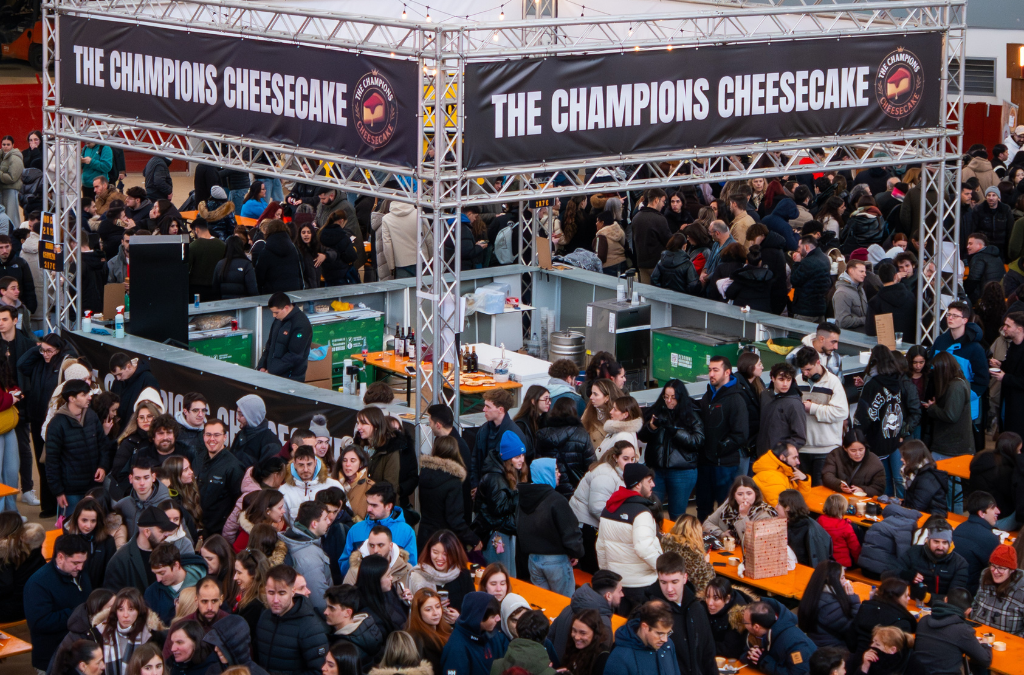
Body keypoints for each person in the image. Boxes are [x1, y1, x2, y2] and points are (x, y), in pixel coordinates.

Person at [596, 464, 662, 612]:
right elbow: (644, 548)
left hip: (618, 585)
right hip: (642, 585)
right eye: (649, 480)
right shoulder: (642, 513)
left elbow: (600, 546)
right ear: (638, 484)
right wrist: (663, 569)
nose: (653, 484)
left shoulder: (608, 509)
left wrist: (609, 576)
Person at [24, 534, 93, 671]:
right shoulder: (38, 583)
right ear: (60, 557)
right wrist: (78, 613)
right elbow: (39, 623)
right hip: (52, 659)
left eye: (83, 562)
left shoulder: (80, 573)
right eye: (75, 563)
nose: (80, 567)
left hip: (80, 656)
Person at [516, 457, 583, 596]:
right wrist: (576, 552)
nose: (559, 474)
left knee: (544, 606)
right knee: (564, 606)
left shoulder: (523, 499)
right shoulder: (557, 500)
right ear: (545, 473)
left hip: (533, 560)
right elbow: (570, 532)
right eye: (555, 470)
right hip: (556, 561)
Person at [638, 380, 704, 519]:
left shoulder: (691, 414)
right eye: (666, 397)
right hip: (657, 470)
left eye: (673, 397)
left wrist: (674, 431)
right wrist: (652, 427)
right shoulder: (657, 411)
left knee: (677, 514)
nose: (669, 401)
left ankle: (675, 540)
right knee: (651, 511)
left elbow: (698, 440)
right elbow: (642, 436)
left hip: (682, 471)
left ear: (680, 397)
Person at [47, 380, 116, 511]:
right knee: (71, 528)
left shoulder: (91, 416)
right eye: (84, 395)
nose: (89, 397)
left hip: (94, 485)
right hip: (71, 491)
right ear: (72, 398)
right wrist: (58, 491)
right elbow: (52, 462)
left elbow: (102, 444)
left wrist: (103, 466)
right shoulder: (57, 424)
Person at [644, 553, 717, 675]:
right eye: (663, 582)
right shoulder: (650, 612)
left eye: (674, 581)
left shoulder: (697, 609)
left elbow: (708, 653)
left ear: (685, 578)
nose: (669, 589)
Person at [569, 440, 635, 573]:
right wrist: (618, 524)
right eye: (625, 458)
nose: (630, 463)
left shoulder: (617, 473)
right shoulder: (605, 474)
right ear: (615, 458)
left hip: (590, 524)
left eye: (633, 459)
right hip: (586, 526)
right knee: (592, 568)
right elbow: (597, 507)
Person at [697, 355, 748, 521]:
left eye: (715, 370)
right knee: (703, 508)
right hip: (705, 463)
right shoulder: (707, 397)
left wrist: (720, 448)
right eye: (710, 370)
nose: (711, 374)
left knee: (724, 510)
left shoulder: (736, 398)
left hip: (725, 465)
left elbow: (741, 434)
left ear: (727, 372)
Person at [254, 565, 329, 675]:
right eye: (271, 593)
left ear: (293, 591)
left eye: (281, 593)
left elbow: (319, 671)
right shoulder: (264, 616)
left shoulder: (310, 627)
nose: (275, 600)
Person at [472, 429, 527, 576]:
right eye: (517, 456)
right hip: (496, 535)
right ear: (508, 458)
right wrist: (517, 494)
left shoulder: (502, 473)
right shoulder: (495, 478)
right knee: (502, 574)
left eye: (522, 455)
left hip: (501, 531)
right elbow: (498, 508)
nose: (521, 459)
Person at [793, 346, 849, 486]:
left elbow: (842, 412)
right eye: (802, 370)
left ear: (818, 362)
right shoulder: (797, 380)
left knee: (821, 491)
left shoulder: (833, 382)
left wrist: (812, 408)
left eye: (808, 369)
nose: (805, 373)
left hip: (826, 448)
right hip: (802, 447)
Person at [339, 481, 418, 577]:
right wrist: (359, 560)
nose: (368, 509)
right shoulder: (355, 530)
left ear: (388, 506)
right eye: (368, 504)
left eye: (374, 505)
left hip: (393, 587)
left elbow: (410, 570)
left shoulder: (406, 532)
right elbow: (343, 567)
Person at [416, 436, 479, 552]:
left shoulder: (424, 475)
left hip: (424, 537)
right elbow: (455, 520)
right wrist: (474, 539)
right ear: (455, 452)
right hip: (444, 540)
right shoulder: (453, 481)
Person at [914, 588, 993, 675]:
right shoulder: (963, 631)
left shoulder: (923, 621)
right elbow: (985, 660)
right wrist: (986, 644)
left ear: (945, 599)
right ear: (968, 611)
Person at [548, 569, 621, 661]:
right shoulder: (602, 622)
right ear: (608, 596)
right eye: (619, 591)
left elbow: (550, 636)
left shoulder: (569, 607)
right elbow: (601, 659)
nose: (622, 594)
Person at [104, 506, 177, 593]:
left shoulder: (168, 551)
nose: (166, 534)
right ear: (147, 532)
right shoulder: (120, 560)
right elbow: (113, 596)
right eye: (161, 531)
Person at [533, 397, 596, 498]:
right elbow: (591, 465)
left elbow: (539, 463)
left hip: (550, 489)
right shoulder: (581, 434)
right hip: (576, 489)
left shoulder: (542, 435)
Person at [355, 407, 416, 507]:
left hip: (379, 510)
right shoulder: (359, 447)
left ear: (375, 425)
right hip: (359, 506)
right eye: (358, 423)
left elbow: (390, 487)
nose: (359, 427)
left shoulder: (390, 451)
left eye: (363, 423)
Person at [471, 388, 530, 490]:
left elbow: (520, 469)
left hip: (504, 490)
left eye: (488, 406)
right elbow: (475, 459)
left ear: (500, 410)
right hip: (484, 487)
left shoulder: (515, 435)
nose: (484, 409)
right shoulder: (483, 430)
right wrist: (475, 485)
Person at [192, 419, 244, 537]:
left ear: (225, 437)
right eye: (208, 435)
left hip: (218, 533)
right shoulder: (198, 459)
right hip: (196, 526)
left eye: (217, 435)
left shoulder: (233, 466)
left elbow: (238, 503)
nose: (212, 439)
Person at [278, 501, 333, 612]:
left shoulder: (294, 539)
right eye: (325, 518)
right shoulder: (309, 557)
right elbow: (319, 600)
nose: (329, 522)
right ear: (314, 524)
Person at [897, 518, 969, 602]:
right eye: (936, 542)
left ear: (950, 543)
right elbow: (889, 574)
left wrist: (927, 597)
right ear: (928, 540)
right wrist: (905, 574)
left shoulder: (960, 564)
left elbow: (955, 598)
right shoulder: (914, 552)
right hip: (910, 603)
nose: (940, 547)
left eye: (944, 542)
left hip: (942, 609)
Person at [439, 591, 508, 675]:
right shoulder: (456, 648)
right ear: (477, 618)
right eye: (493, 616)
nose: (498, 619)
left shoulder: (494, 636)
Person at [605, 600, 681, 675]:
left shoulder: (668, 646)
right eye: (659, 633)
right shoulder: (620, 657)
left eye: (668, 633)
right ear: (645, 627)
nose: (665, 639)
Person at [743, 598, 816, 675]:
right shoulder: (768, 634)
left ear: (756, 627)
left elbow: (797, 673)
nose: (744, 625)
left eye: (745, 622)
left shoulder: (795, 644)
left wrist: (763, 661)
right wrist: (752, 656)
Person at [796, 561, 861, 648]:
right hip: (833, 651)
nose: (846, 581)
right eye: (842, 578)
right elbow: (854, 629)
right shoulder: (831, 605)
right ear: (830, 579)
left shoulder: (812, 594)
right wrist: (854, 600)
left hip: (817, 643)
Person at [408, 529, 474, 613]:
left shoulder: (462, 574)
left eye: (445, 554)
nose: (439, 558)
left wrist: (459, 619)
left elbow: (472, 608)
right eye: (435, 552)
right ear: (429, 551)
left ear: (454, 553)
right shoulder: (418, 575)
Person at [703, 476, 778, 548]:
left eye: (749, 494)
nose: (745, 498)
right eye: (740, 494)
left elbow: (751, 543)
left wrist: (743, 516)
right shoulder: (728, 506)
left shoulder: (764, 513)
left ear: (756, 494)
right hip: (729, 550)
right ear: (734, 496)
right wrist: (721, 534)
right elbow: (707, 523)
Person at [951, 491, 1002, 595]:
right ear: (981, 513)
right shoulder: (990, 539)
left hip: (952, 589)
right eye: (992, 508)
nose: (998, 511)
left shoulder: (960, 528)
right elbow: (998, 570)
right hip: (970, 596)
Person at [323, 584, 385, 669]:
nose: (325, 612)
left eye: (331, 608)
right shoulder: (367, 629)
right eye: (326, 607)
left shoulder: (345, 647)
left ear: (347, 613)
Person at [61, 498, 117, 589]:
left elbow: (111, 573)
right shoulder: (66, 541)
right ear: (76, 519)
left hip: (99, 595)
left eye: (93, 521)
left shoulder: (108, 542)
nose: (88, 526)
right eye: (84, 520)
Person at [968, 432, 1019, 531]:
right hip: (999, 520)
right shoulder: (1006, 470)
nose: (1020, 454)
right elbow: (1014, 497)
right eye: (1019, 450)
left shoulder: (980, 458)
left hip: (977, 514)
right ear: (1011, 450)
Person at [852, 576, 917, 654]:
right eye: (906, 596)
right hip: (881, 663)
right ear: (896, 598)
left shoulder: (866, 607)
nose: (909, 599)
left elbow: (852, 636)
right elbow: (901, 655)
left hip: (857, 657)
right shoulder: (901, 622)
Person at [256, 293, 312, 382]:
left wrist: (271, 371)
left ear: (286, 308)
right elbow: (269, 346)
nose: (274, 316)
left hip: (290, 378)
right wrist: (262, 366)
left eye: (276, 312)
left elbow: (294, 355)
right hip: (272, 375)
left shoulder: (301, 324)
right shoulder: (278, 320)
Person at [755, 363, 806, 459]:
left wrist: (782, 452)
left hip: (783, 459)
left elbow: (800, 437)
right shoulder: (765, 395)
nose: (785, 384)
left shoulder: (795, 404)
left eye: (788, 380)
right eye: (781, 379)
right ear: (773, 378)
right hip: (762, 455)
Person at [0, 514, 45, 623]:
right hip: (32, 603)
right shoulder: (32, 546)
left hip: (11, 608)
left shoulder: (5, 552)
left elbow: (4, 587)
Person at [821, 428, 886, 498]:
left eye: (861, 450)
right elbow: (827, 475)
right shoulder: (835, 455)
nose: (858, 454)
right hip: (838, 498)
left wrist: (863, 490)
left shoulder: (874, 461)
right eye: (853, 451)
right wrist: (839, 485)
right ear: (845, 448)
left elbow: (879, 487)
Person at [280, 446, 342, 518]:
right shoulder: (284, 491)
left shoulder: (333, 486)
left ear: (315, 462)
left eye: (309, 464)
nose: (305, 469)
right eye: (301, 465)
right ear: (294, 464)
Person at [660, 514, 715, 595]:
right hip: (689, 595)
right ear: (696, 532)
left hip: (668, 589)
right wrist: (706, 563)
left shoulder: (666, 543)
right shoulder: (694, 553)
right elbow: (707, 582)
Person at [777, 489, 832, 568]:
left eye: (779, 504)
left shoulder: (806, 529)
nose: (776, 506)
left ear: (787, 508)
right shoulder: (789, 523)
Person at [703, 577, 754, 660]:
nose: (709, 603)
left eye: (716, 598)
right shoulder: (701, 606)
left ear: (727, 599)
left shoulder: (739, 617)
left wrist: (704, 645)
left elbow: (730, 650)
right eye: (708, 597)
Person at [994, 311, 1024, 440]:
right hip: (1009, 399)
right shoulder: (1013, 345)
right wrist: (1000, 365)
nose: (1004, 328)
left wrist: (1005, 378)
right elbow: (1012, 367)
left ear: (1019, 329)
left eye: (1008, 326)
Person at [229, 395, 280, 470]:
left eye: (241, 414)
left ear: (252, 416)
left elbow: (268, 477)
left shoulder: (271, 444)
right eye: (238, 413)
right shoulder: (241, 434)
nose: (237, 418)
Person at [753, 442, 811, 507]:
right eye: (794, 458)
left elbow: (799, 500)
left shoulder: (783, 472)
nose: (798, 462)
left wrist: (804, 480)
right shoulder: (771, 478)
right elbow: (782, 509)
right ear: (782, 457)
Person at [632, 189, 672, 284]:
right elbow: (669, 242)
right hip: (657, 265)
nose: (663, 204)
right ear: (656, 200)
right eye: (663, 201)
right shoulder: (659, 219)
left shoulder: (636, 218)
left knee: (645, 295)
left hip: (641, 264)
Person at [789, 235, 832, 322]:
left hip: (805, 309)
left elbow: (794, 280)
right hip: (820, 307)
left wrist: (796, 263)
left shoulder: (808, 262)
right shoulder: (824, 258)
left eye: (799, 247)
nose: (798, 250)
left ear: (806, 246)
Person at [899, 441, 948, 517]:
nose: (901, 459)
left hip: (933, 518)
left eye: (904, 457)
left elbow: (917, 508)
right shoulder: (913, 472)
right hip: (923, 513)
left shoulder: (926, 479)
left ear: (913, 458)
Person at [254, 220, 304, 293]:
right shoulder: (294, 249)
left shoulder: (265, 251)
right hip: (294, 291)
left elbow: (259, 276)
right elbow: (302, 268)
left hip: (272, 294)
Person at [818, 493, 861, 568]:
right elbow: (855, 548)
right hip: (841, 564)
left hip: (822, 560)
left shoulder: (819, 521)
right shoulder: (846, 527)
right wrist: (859, 564)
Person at [333, 446, 372, 522]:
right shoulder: (334, 484)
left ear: (361, 463)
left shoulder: (370, 487)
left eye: (352, 461)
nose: (347, 464)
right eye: (344, 460)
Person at [211, 235, 257, 300]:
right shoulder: (246, 264)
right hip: (243, 305)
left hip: (224, 304)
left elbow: (215, 288)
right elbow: (252, 289)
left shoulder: (220, 264)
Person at [512, 385, 550, 457]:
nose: (549, 402)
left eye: (549, 399)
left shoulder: (545, 419)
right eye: (545, 399)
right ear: (533, 401)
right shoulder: (521, 424)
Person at [832, 259, 869, 331]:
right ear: (851, 271)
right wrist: (865, 320)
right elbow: (843, 321)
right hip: (850, 337)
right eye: (861, 271)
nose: (865, 274)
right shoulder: (842, 293)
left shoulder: (860, 288)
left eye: (864, 272)